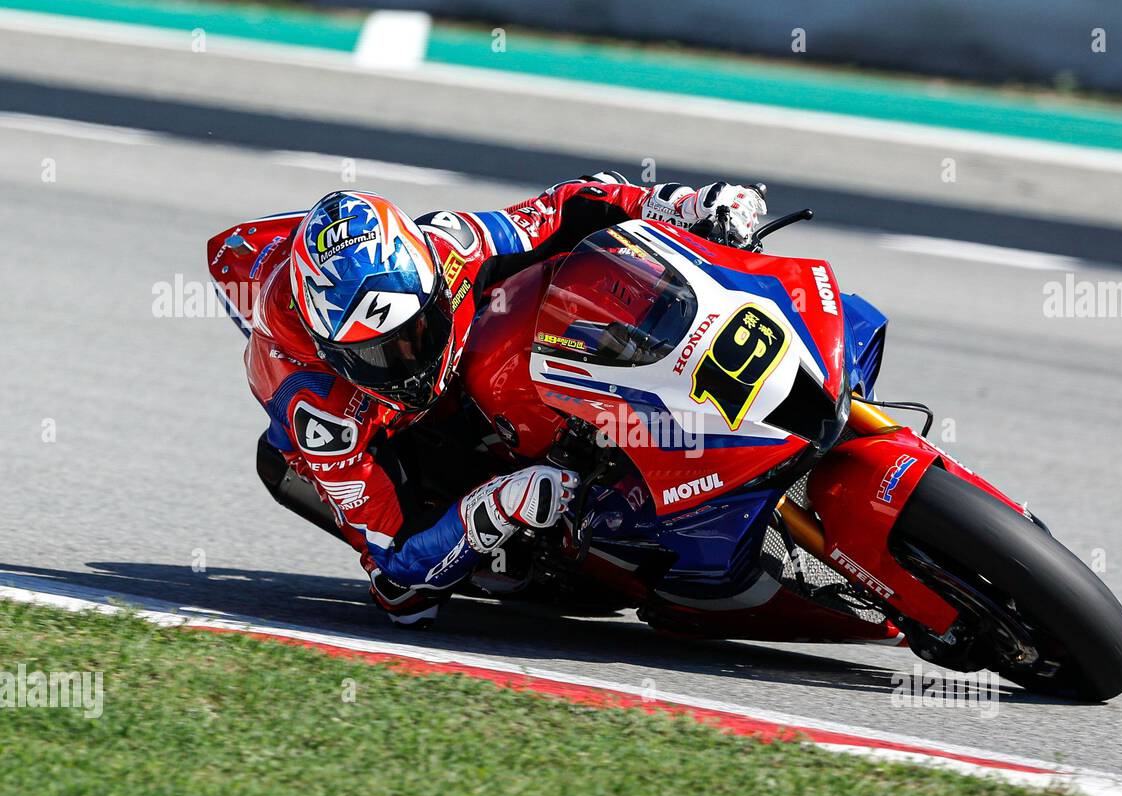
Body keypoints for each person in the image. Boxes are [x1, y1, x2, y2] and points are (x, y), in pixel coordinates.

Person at [244, 173, 766, 624]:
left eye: (419, 331)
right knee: (434, 586)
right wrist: (493, 508)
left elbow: (566, 206)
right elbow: (395, 568)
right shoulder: (317, 408)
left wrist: (682, 204)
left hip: (476, 347)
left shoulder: (448, 246)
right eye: (380, 356)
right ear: (331, 353)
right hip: (393, 439)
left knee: (578, 263)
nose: (409, 362)